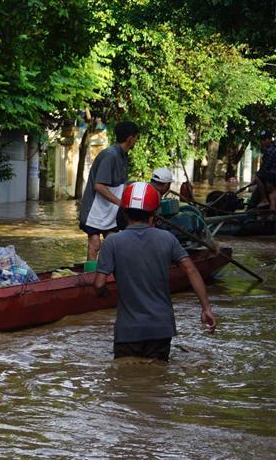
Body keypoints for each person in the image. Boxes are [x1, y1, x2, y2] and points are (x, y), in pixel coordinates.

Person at [93, 182, 216, 362]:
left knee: (125, 382)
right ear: (154, 214)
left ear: (125, 212)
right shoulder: (167, 238)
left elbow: (98, 283)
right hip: (161, 328)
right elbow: (191, 269)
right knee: (157, 380)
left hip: (129, 331)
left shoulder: (112, 242)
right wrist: (206, 308)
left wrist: (102, 293)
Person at [79, 121, 139, 261]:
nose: (136, 141)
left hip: (110, 210)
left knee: (114, 244)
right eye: (136, 137)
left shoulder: (124, 156)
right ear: (130, 138)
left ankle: (107, 274)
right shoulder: (110, 155)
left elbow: (122, 185)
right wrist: (121, 203)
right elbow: (99, 186)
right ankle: (91, 277)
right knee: (95, 244)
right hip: (95, 209)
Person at [249, 130, 276, 210]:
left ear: (270, 139)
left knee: (257, 177)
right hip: (272, 174)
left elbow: (264, 168)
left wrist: (255, 179)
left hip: (273, 175)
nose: (262, 142)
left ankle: (264, 200)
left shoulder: (270, 150)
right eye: (261, 139)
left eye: (264, 140)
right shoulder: (271, 148)